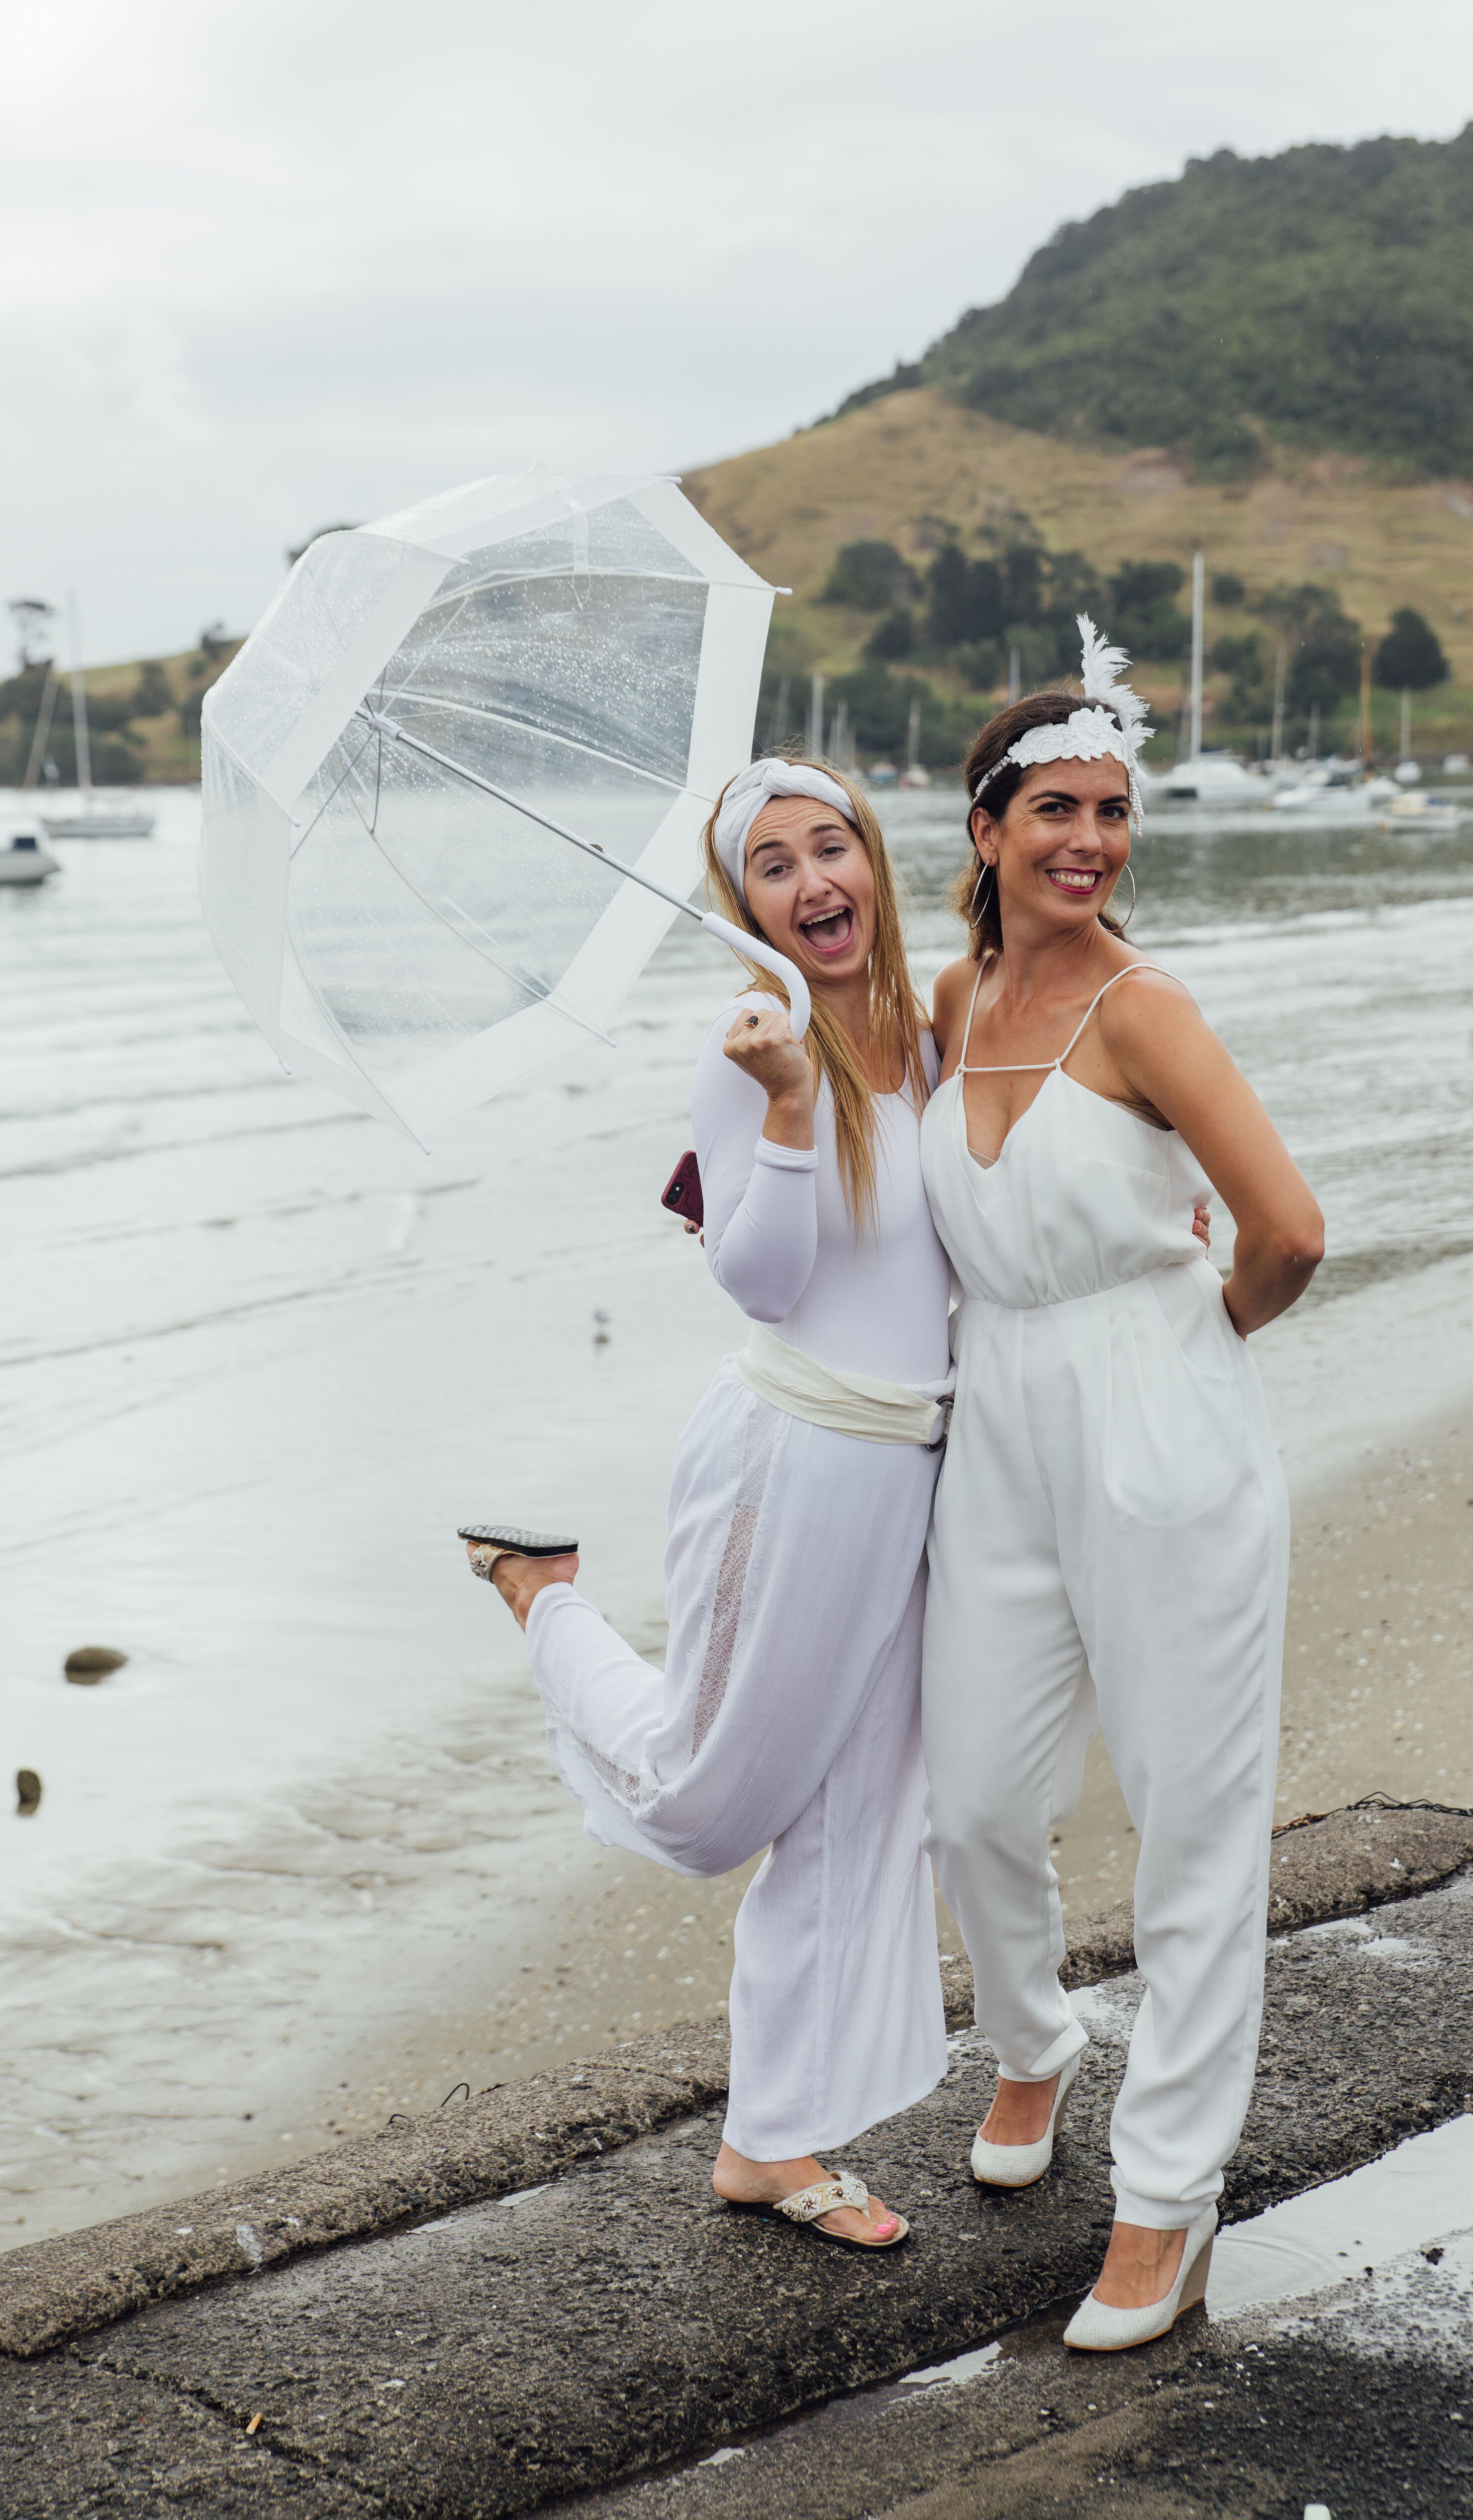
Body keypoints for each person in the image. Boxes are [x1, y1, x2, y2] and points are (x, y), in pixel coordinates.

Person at [463, 758, 954, 2249]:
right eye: (775, 866)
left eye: (833, 848)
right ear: (741, 908)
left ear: (873, 859)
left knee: (857, 1814)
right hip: (790, 1461)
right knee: (708, 1802)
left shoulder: (935, 1033)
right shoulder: (752, 1049)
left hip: (920, 1476)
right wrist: (793, 1104)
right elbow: (759, 1279)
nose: (815, 884)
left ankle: (773, 2144)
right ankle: (544, 1598)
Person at [919, 620, 1323, 2351]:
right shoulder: (952, 1002)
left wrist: (1196, 1342)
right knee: (979, 1797)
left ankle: (1167, 2202)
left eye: (1113, 811)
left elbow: (1292, 1231)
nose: (1090, 840)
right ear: (990, 833)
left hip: (1158, 1403)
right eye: (1055, 811)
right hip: (995, 1417)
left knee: (1192, 1832)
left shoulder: (1145, 1006)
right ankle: (1035, 2043)